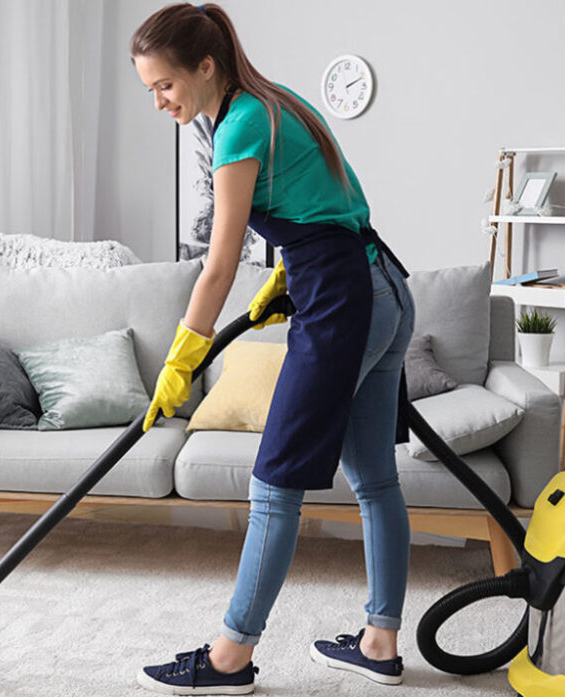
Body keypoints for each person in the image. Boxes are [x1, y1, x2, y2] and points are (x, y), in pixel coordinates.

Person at [131, 3, 415, 694]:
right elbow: (336, 204)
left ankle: (229, 658)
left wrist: (181, 359)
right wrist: (290, 270)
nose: (161, 102)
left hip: (345, 303)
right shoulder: (273, 99)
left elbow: (219, 264)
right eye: (149, 91)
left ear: (204, 66)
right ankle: (379, 640)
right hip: (384, 288)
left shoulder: (239, 124)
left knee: (273, 485)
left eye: (165, 85)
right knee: (374, 478)